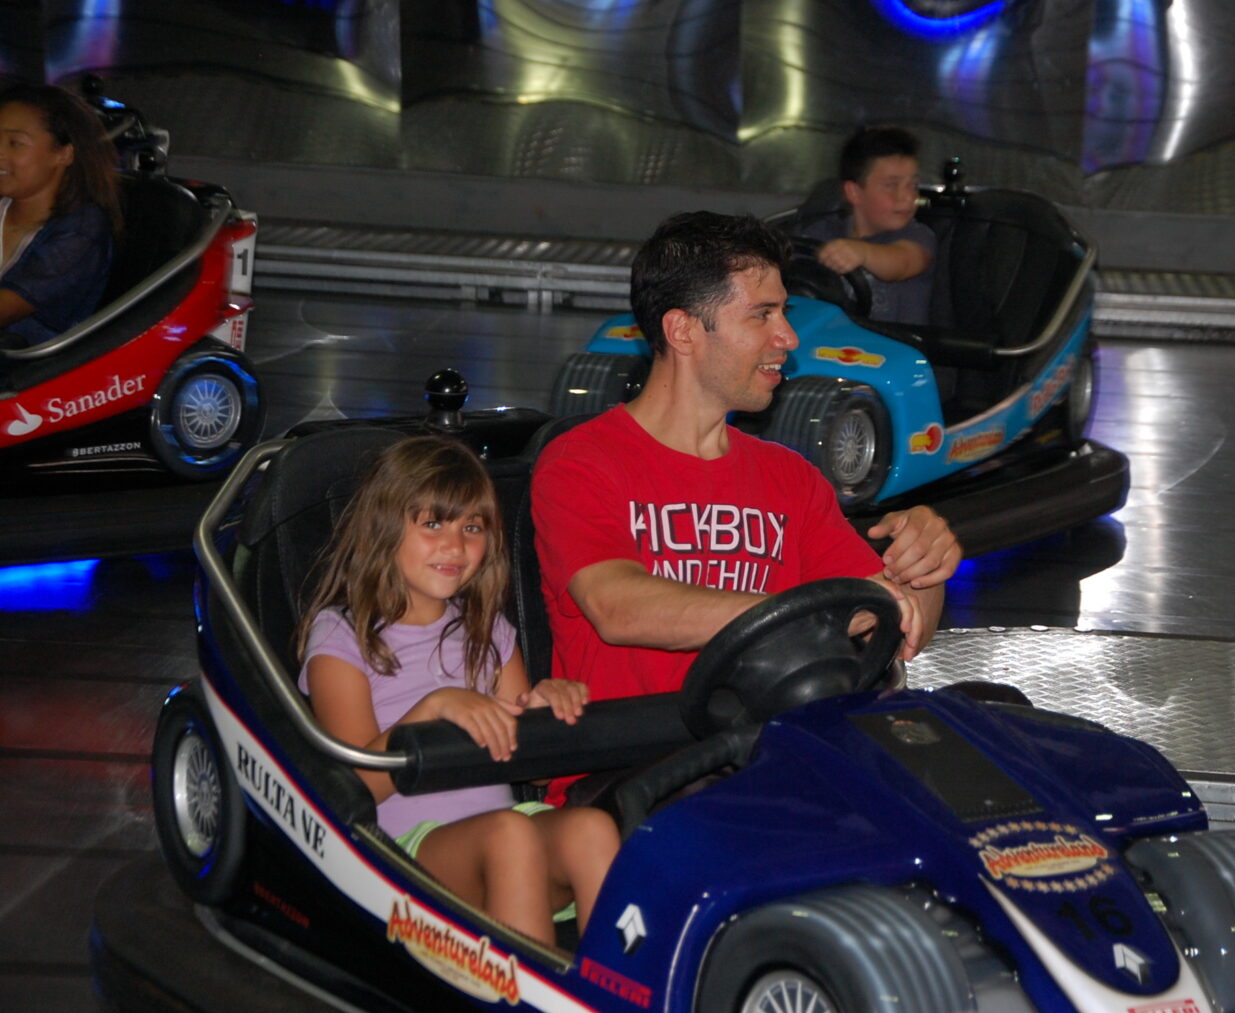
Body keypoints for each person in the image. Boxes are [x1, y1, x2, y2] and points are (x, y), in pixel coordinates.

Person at [532, 212, 961, 783]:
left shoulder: (791, 477)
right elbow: (617, 606)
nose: (788, 337)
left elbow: (889, 619)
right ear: (684, 331)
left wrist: (920, 568)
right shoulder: (582, 461)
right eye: (763, 315)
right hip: (634, 776)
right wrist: (791, 617)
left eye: (783, 312)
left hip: (768, 768)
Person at [298, 435, 619, 946]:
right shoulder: (342, 636)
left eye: (472, 527)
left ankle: (612, 994)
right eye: (433, 524)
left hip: (501, 831)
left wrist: (542, 709)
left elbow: (529, 763)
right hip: (398, 850)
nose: (455, 545)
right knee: (509, 837)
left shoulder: (488, 631)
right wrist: (432, 710)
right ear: (383, 528)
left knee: (592, 829)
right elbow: (350, 787)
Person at [0, 82, 120, 350]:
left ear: (64, 154)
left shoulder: (82, 231)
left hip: (26, 370)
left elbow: (8, 308)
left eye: (15, 143)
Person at [798, 125, 935, 325]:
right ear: (854, 192)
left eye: (913, 185)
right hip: (830, 346)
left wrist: (863, 253)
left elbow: (902, 263)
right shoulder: (820, 233)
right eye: (891, 185)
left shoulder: (919, 237)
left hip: (895, 351)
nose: (907, 197)